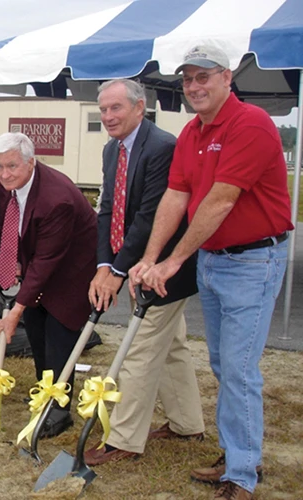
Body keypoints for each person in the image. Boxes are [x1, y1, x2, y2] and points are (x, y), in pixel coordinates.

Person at [131, 45, 292, 500]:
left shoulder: (252, 124)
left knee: (239, 369)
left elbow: (221, 200)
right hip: (215, 259)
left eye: (204, 77)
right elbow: (176, 197)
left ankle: (242, 474)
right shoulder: (192, 132)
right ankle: (241, 452)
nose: (195, 87)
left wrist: (174, 260)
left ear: (227, 78)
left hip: (253, 261)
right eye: (188, 80)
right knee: (223, 364)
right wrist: (151, 257)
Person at [84, 79, 204, 465]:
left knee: (138, 351)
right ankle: (187, 423)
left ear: (140, 108)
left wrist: (119, 271)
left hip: (165, 268)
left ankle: (123, 439)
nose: (108, 117)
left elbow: (149, 218)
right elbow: (108, 211)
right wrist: (105, 264)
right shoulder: (111, 150)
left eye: (115, 108)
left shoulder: (163, 147)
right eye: (103, 110)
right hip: (137, 264)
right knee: (172, 347)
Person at [0, 132, 97, 437]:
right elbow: (7, 220)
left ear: (31, 162)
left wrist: (15, 310)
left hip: (73, 269)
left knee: (59, 335)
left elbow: (48, 261)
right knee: (37, 330)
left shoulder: (56, 198)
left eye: (12, 166)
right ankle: (44, 391)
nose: (4, 174)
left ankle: (59, 410)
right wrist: (13, 259)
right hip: (39, 257)